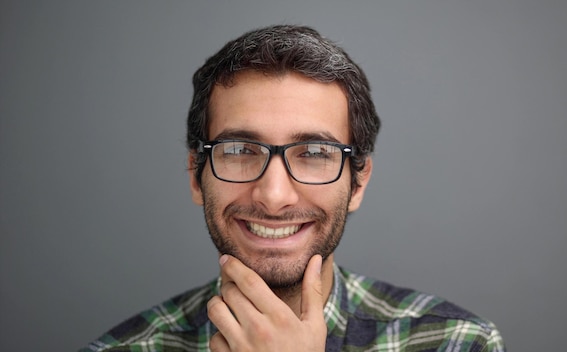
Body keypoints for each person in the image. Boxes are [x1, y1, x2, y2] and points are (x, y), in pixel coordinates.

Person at [81, 24, 506, 352]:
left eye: (315, 153)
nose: (274, 195)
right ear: (196, 175)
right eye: (240, 149)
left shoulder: (457, 342)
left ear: (357, 182)